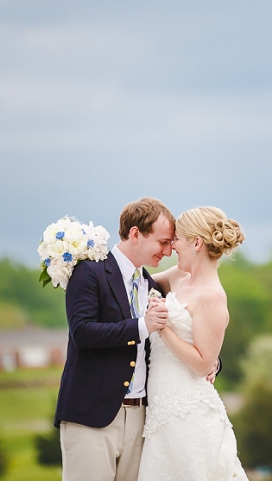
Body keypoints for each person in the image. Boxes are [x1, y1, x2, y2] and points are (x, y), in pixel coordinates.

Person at [54, 197, 174, 481]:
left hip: (141, 418)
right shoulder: (89, 272)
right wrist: (140, 326)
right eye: (163, 242)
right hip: (91, 415)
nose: (169, 251)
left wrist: (209, 365)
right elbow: (82, 332)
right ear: (135, 234)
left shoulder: (152, 286)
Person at [137, 206, 248, 480]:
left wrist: (162, 329)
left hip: (189, 412)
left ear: (196, 243)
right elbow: (136, 284)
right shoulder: (177, 277)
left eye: (177, 239)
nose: (172, 246)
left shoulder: (212, 297)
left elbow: (202, 365)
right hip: (160, 409)